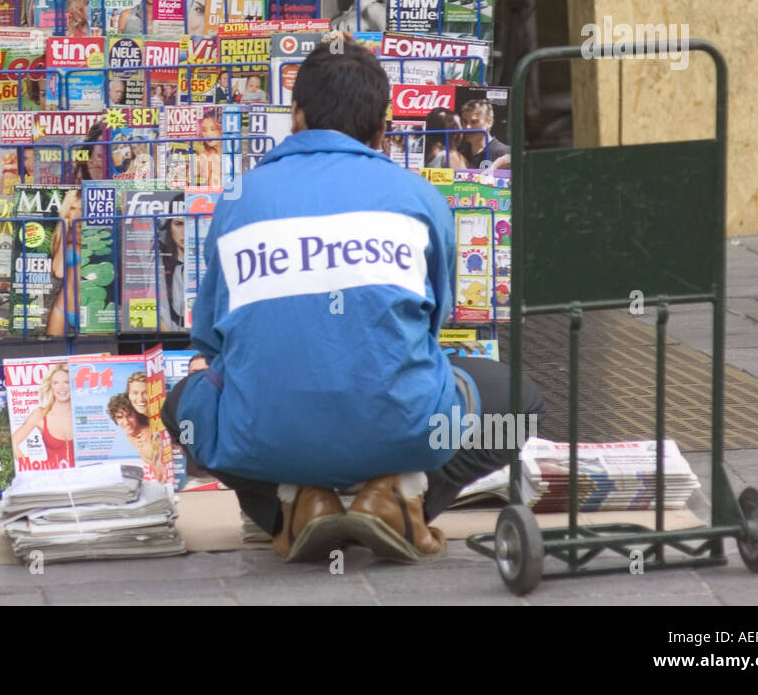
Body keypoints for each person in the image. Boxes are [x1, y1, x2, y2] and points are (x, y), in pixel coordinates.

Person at [164, 42, 546, 563]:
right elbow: (434, 322)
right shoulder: (419, 197)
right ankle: (400, 500)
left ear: (296, 116)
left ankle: (292, 509)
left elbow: (210, 338)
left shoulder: (239, 199)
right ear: (382, 130)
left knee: (179, 403)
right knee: (520, 402)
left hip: (268, 438)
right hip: (404, 429)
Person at [11, 362, 74, 469]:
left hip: (83, 480)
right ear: (50, 386)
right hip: (52, 481)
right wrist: (31, 468)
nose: (61, 387)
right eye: (55, 383)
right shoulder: (40, 414)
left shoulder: (82, 412)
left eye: (66, 382)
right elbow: (12, 443)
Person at [107, 392, 169, 484]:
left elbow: (163, 469)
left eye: (130, 415)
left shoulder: (149, 435)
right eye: (120, 417)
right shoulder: (131, 434)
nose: (126, 422)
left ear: (137, 415)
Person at [46, 189, 82, 335]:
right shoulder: (61, 236)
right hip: (62, 307)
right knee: (53, 355)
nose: (78, 214)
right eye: (73, 208)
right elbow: (59, 272)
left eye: (82, 209)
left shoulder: (97, 235)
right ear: (67, 210)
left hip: (91, 310)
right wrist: (65, 229)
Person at [458, 98, 512, 169]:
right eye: (465, 122)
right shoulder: (461, 155)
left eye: (474, 122)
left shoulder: (504, 153)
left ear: (489, 123)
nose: (467, 127)